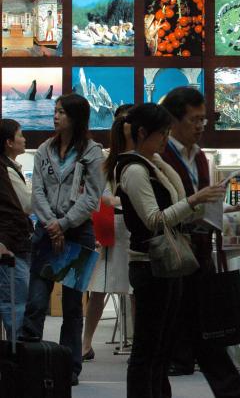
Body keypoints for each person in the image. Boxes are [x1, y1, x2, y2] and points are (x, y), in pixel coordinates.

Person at [116, 103, 226, 398]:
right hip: (150, 263)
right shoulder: (135, 169)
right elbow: (154, 220)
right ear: (142, 133)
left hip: (169, 262)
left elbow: (177, 209)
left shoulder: (155, 164)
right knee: (148, 346)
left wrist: (211, 205)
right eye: (162, 134)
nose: (166, 140)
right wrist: (194, 201)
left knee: (161, 346)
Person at [159, 87, 240, 398]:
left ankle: (231, 389)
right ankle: (231, 388)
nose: (199, 126)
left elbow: (203, 200)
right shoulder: (159, 157)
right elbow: (163, 210)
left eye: (203, 120)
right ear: (174, 121)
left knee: (204, 327)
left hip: (199, 250)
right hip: (171, 254)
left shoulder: (200, 157)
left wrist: (224, 209)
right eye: (194, 120)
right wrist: (199, 204)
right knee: (174, 332)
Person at [23, 94, 105, 386]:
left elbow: (92, 197)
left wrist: (65, 223)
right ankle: (28, 363)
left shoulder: (93, 152)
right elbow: (38, 192)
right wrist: (51, 225)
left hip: (78, 232)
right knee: (35, 302)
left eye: (61, 112)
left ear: (76, 117)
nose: (55, 116)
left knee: (72, 308)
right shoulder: (44, 148)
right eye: (55, 111)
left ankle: (69, 368)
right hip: (46, 233)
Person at [83, 104, 134, 361]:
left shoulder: (142, 160)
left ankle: (138, 342)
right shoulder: (108, 162)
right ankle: (85, 342)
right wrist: (114, 202)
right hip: (110, 229)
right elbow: (99, 196)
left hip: (133, 229)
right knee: (99, 289)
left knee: (134, 287)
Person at [0, 119, 33, 340]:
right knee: (15, 304)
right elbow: (27, 204)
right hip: (11, 245)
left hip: (12, 242)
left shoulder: (9, 167)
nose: (24, 139)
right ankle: (16, 361)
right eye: (20, 135)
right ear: (9, 142)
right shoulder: (6, 170)